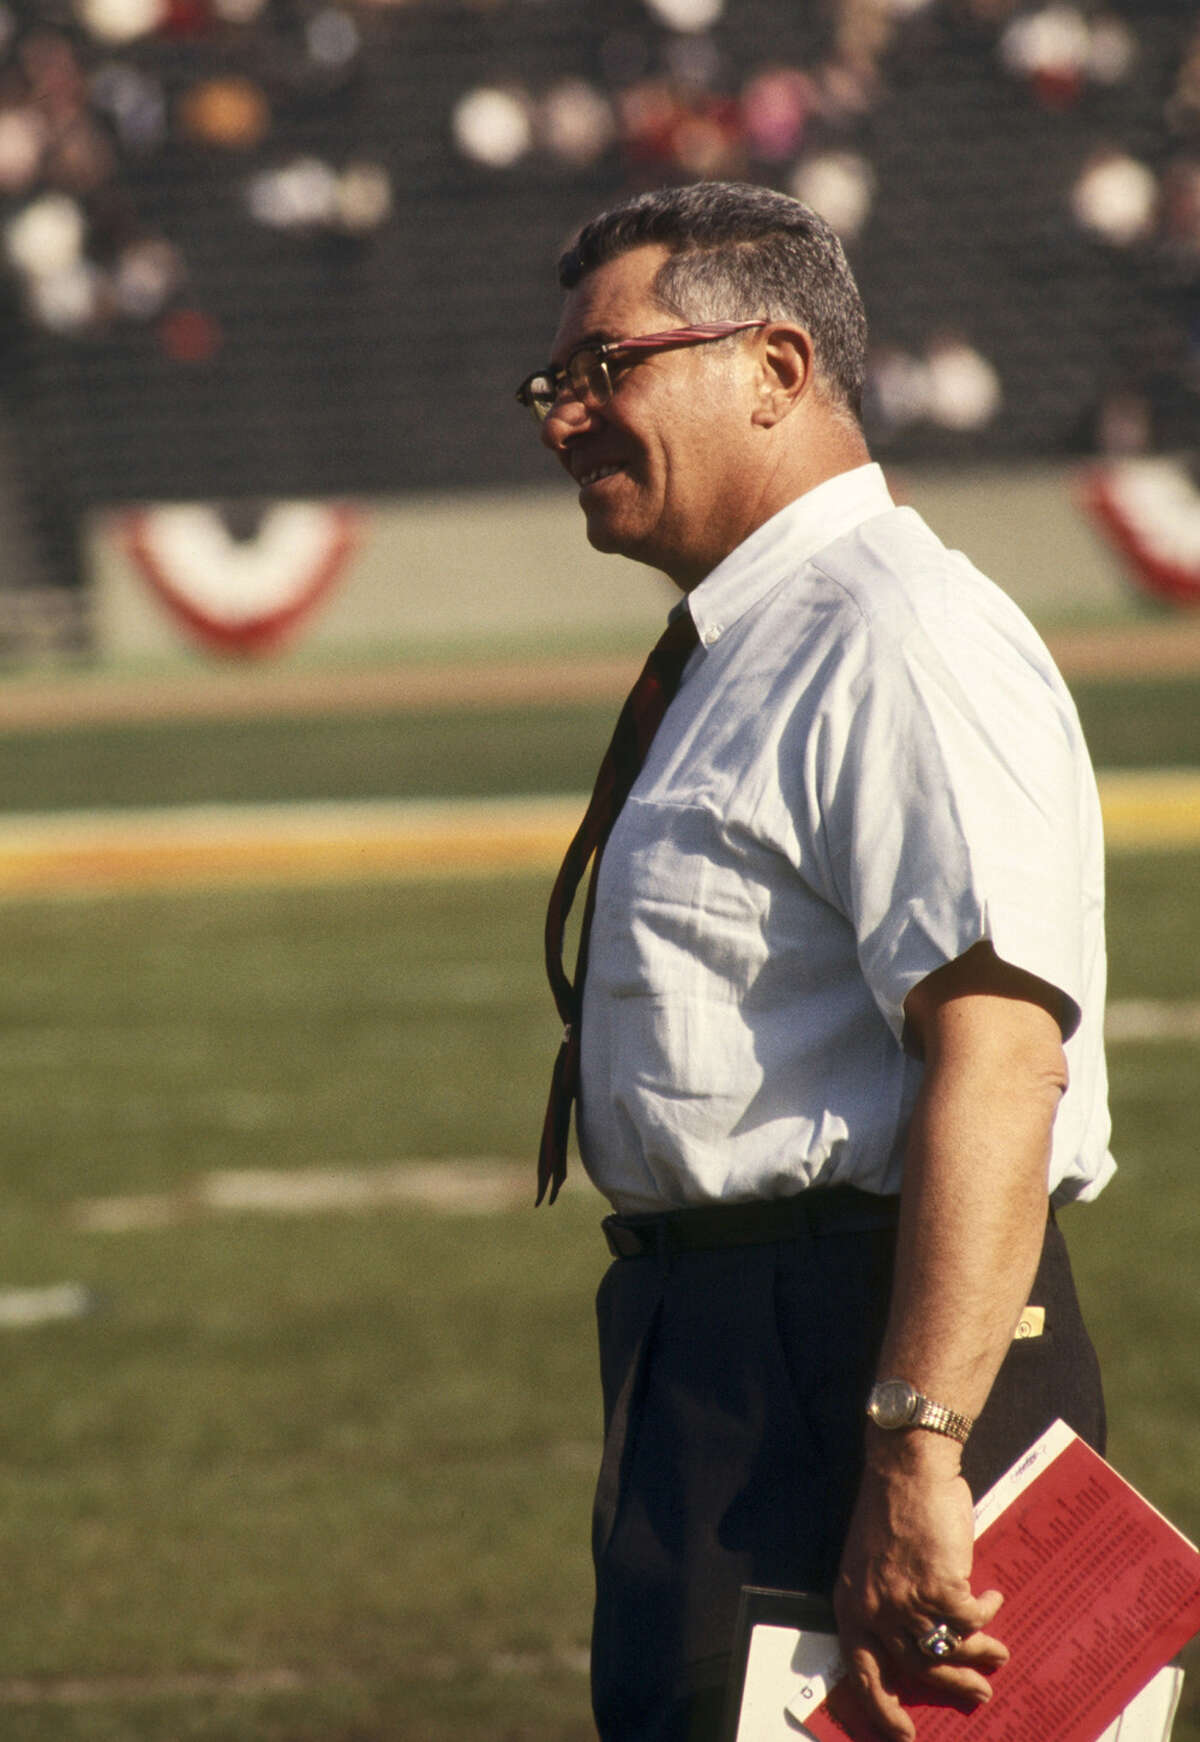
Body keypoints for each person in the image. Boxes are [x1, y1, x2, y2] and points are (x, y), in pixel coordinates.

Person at [516, 181, 1113, 1742]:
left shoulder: (895, 629)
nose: (566, 417)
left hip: (862, 1346)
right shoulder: (755, 640)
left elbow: (1000, 1051)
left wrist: (917, 1448)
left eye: (605, 369)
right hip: (730, 1348)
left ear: (774, 367)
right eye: (552, 383)